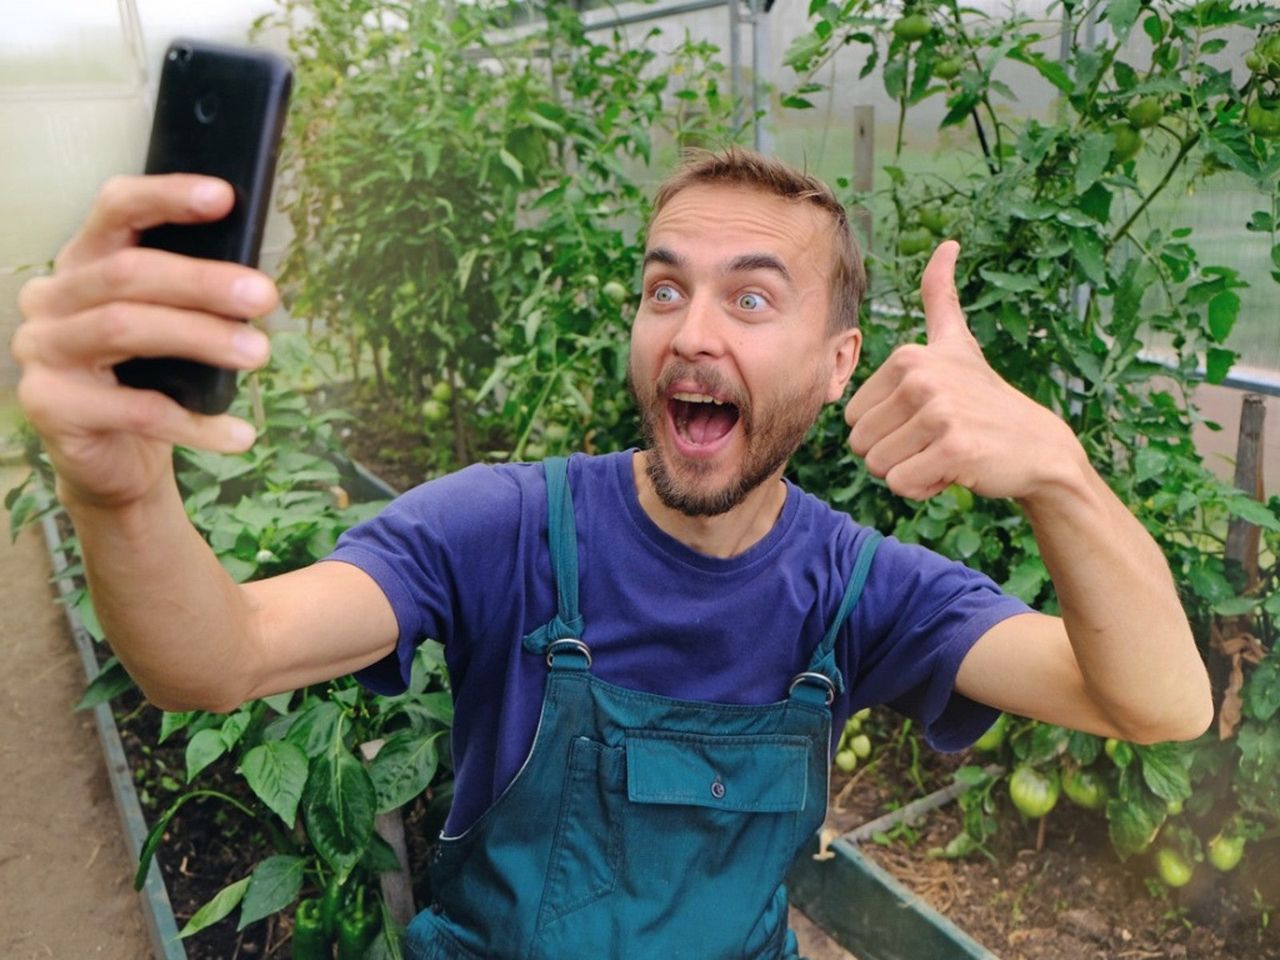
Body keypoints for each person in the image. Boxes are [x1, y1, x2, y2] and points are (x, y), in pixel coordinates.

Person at [12, 147, 1211, 959]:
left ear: (838, 363)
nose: (688, 333)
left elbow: (1155, 704)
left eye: (749, 300)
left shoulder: (859, 591)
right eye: (661, 290)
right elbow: (217, 658)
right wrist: (116, 487)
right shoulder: (503, 530)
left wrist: (1055, 467)